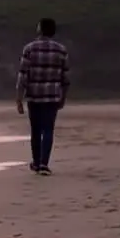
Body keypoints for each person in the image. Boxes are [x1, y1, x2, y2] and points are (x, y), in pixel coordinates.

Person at [15, 17, 70, 175]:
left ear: (39, 29)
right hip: (52, 96)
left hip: (34, 95)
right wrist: (63, 97)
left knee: (35, 130)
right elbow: (65, 78)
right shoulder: (61, 50)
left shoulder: (29, 48)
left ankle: (37, 162)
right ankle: (44, 164)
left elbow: (23, 75)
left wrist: (19, 98)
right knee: (48, 129)